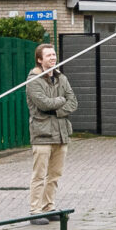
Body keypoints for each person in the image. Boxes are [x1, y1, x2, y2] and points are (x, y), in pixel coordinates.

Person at [26, 43, 76, 214]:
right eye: (49, 55)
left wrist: (58, 110)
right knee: (39, 176)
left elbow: (73, 102)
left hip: (62, 134)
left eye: (54, 55)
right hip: (42, 134)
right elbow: (43, 104)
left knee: (55, 175)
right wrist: (61, 101)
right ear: (40, 60)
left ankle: (49, 207)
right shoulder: (33, 80)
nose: (53, 58)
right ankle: (35, 210)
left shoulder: (62, 78)